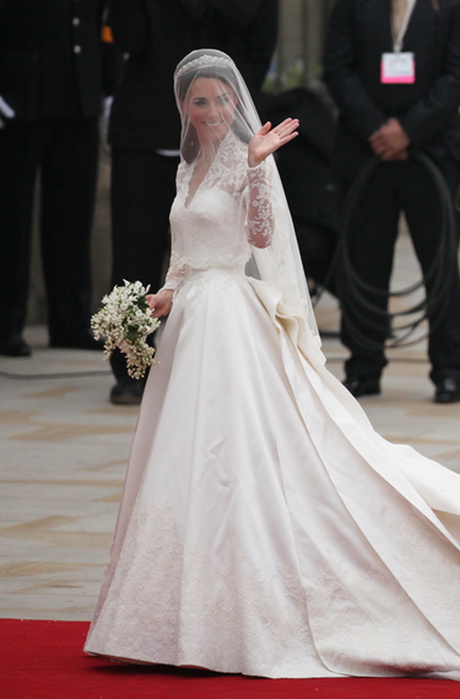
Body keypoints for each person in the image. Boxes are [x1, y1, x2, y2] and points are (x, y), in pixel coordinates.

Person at [84, 50, 460, 680]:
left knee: (229, 456)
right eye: (199, 101)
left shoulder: (239, 159)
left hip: (230, 320)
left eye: (221, 100)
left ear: (236, 104)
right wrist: (157, 298)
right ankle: (169, 616)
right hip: (189, 322)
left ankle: (239, 612)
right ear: (183, 108)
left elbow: (259, 237)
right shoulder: (188, 168)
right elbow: (183, 254)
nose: (211, 112)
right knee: (179, 458)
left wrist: (257, 168)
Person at [107, 0, 278, 405]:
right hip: (145, 128)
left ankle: (232, 364)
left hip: (220, 127)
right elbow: (127, 34)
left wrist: (222, 108)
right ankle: (131, 361)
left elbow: (259, 41)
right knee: (135, 247)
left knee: (224, 249)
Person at [323, 0, 460, 403]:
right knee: (365, 263)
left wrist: (409, 130)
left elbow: (455, 74)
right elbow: (337, 67)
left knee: (439, 265)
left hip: (432, 151)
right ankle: (364, 366)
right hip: (367, 149)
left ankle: (449, 369)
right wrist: (378, 129)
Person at [0, 0, 117, 357]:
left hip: (79, 96)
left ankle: (70, 321)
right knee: (10, 218)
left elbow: (105, 22)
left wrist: (109, 87)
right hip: (18, 97)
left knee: (72, 214)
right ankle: (5, 323)